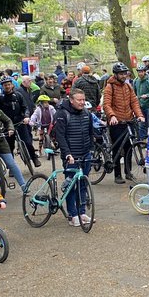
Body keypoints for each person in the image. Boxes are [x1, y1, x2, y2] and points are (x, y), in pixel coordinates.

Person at [54, 89, 94, 227]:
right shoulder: (62, 114)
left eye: (83, 99)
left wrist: (91, 150)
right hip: (71, 156)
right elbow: (60, 136)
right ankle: (72, 215)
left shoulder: (87, 113)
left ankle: (82, 212)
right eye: (79, 100)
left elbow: (90, 133)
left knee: (83, 184)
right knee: (70, 186)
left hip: (85, 154)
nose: (82, 102)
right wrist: (67, 154)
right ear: (71, 100)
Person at [103, 62, 143, 185]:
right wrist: (112, 116)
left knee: (129, 147)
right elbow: (106, 104)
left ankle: (128, 172)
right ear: (115, 75)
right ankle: (117, 175)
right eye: (121, 74)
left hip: (129, 120)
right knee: (117, 148)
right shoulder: (110, 87)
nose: (124, 75)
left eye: (125, 73)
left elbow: (134, 102)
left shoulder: (128, 86)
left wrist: (140, 115)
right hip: (116, 122)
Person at [0, 76, 32, 169]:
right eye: (5, 85)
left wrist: (26, 116)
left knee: (28, 142)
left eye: (9, 84)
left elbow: (25, 107)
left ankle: (34, 157)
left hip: (20, 122)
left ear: (12, 85)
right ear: (2, 86)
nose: (7, 86)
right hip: (7, 125)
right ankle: (12, 167)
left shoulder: (18, 95)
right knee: (9, 147)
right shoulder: (0, 99)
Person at [28, 94, 57, 164]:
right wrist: (32, 122)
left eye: (47, 102)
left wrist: (57, 119)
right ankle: (39, 150)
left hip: (50, 124)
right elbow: (34, 116)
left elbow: (55, 114)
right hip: (41, 125)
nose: (46, 104)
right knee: (41, 138)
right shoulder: (38, 109)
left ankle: (54, 146)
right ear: (40, 103)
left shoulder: (51, 108)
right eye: (44, 102)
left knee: (54, 136)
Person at [134, 64, 149, 139]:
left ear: (145, 72)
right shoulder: (136, 81)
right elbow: (134, 92)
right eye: (139, 72)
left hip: (148, 105)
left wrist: (147, 95)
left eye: (142, 72)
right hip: (140, 105)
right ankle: (143, 139)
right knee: (142, 123)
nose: (140, 73)